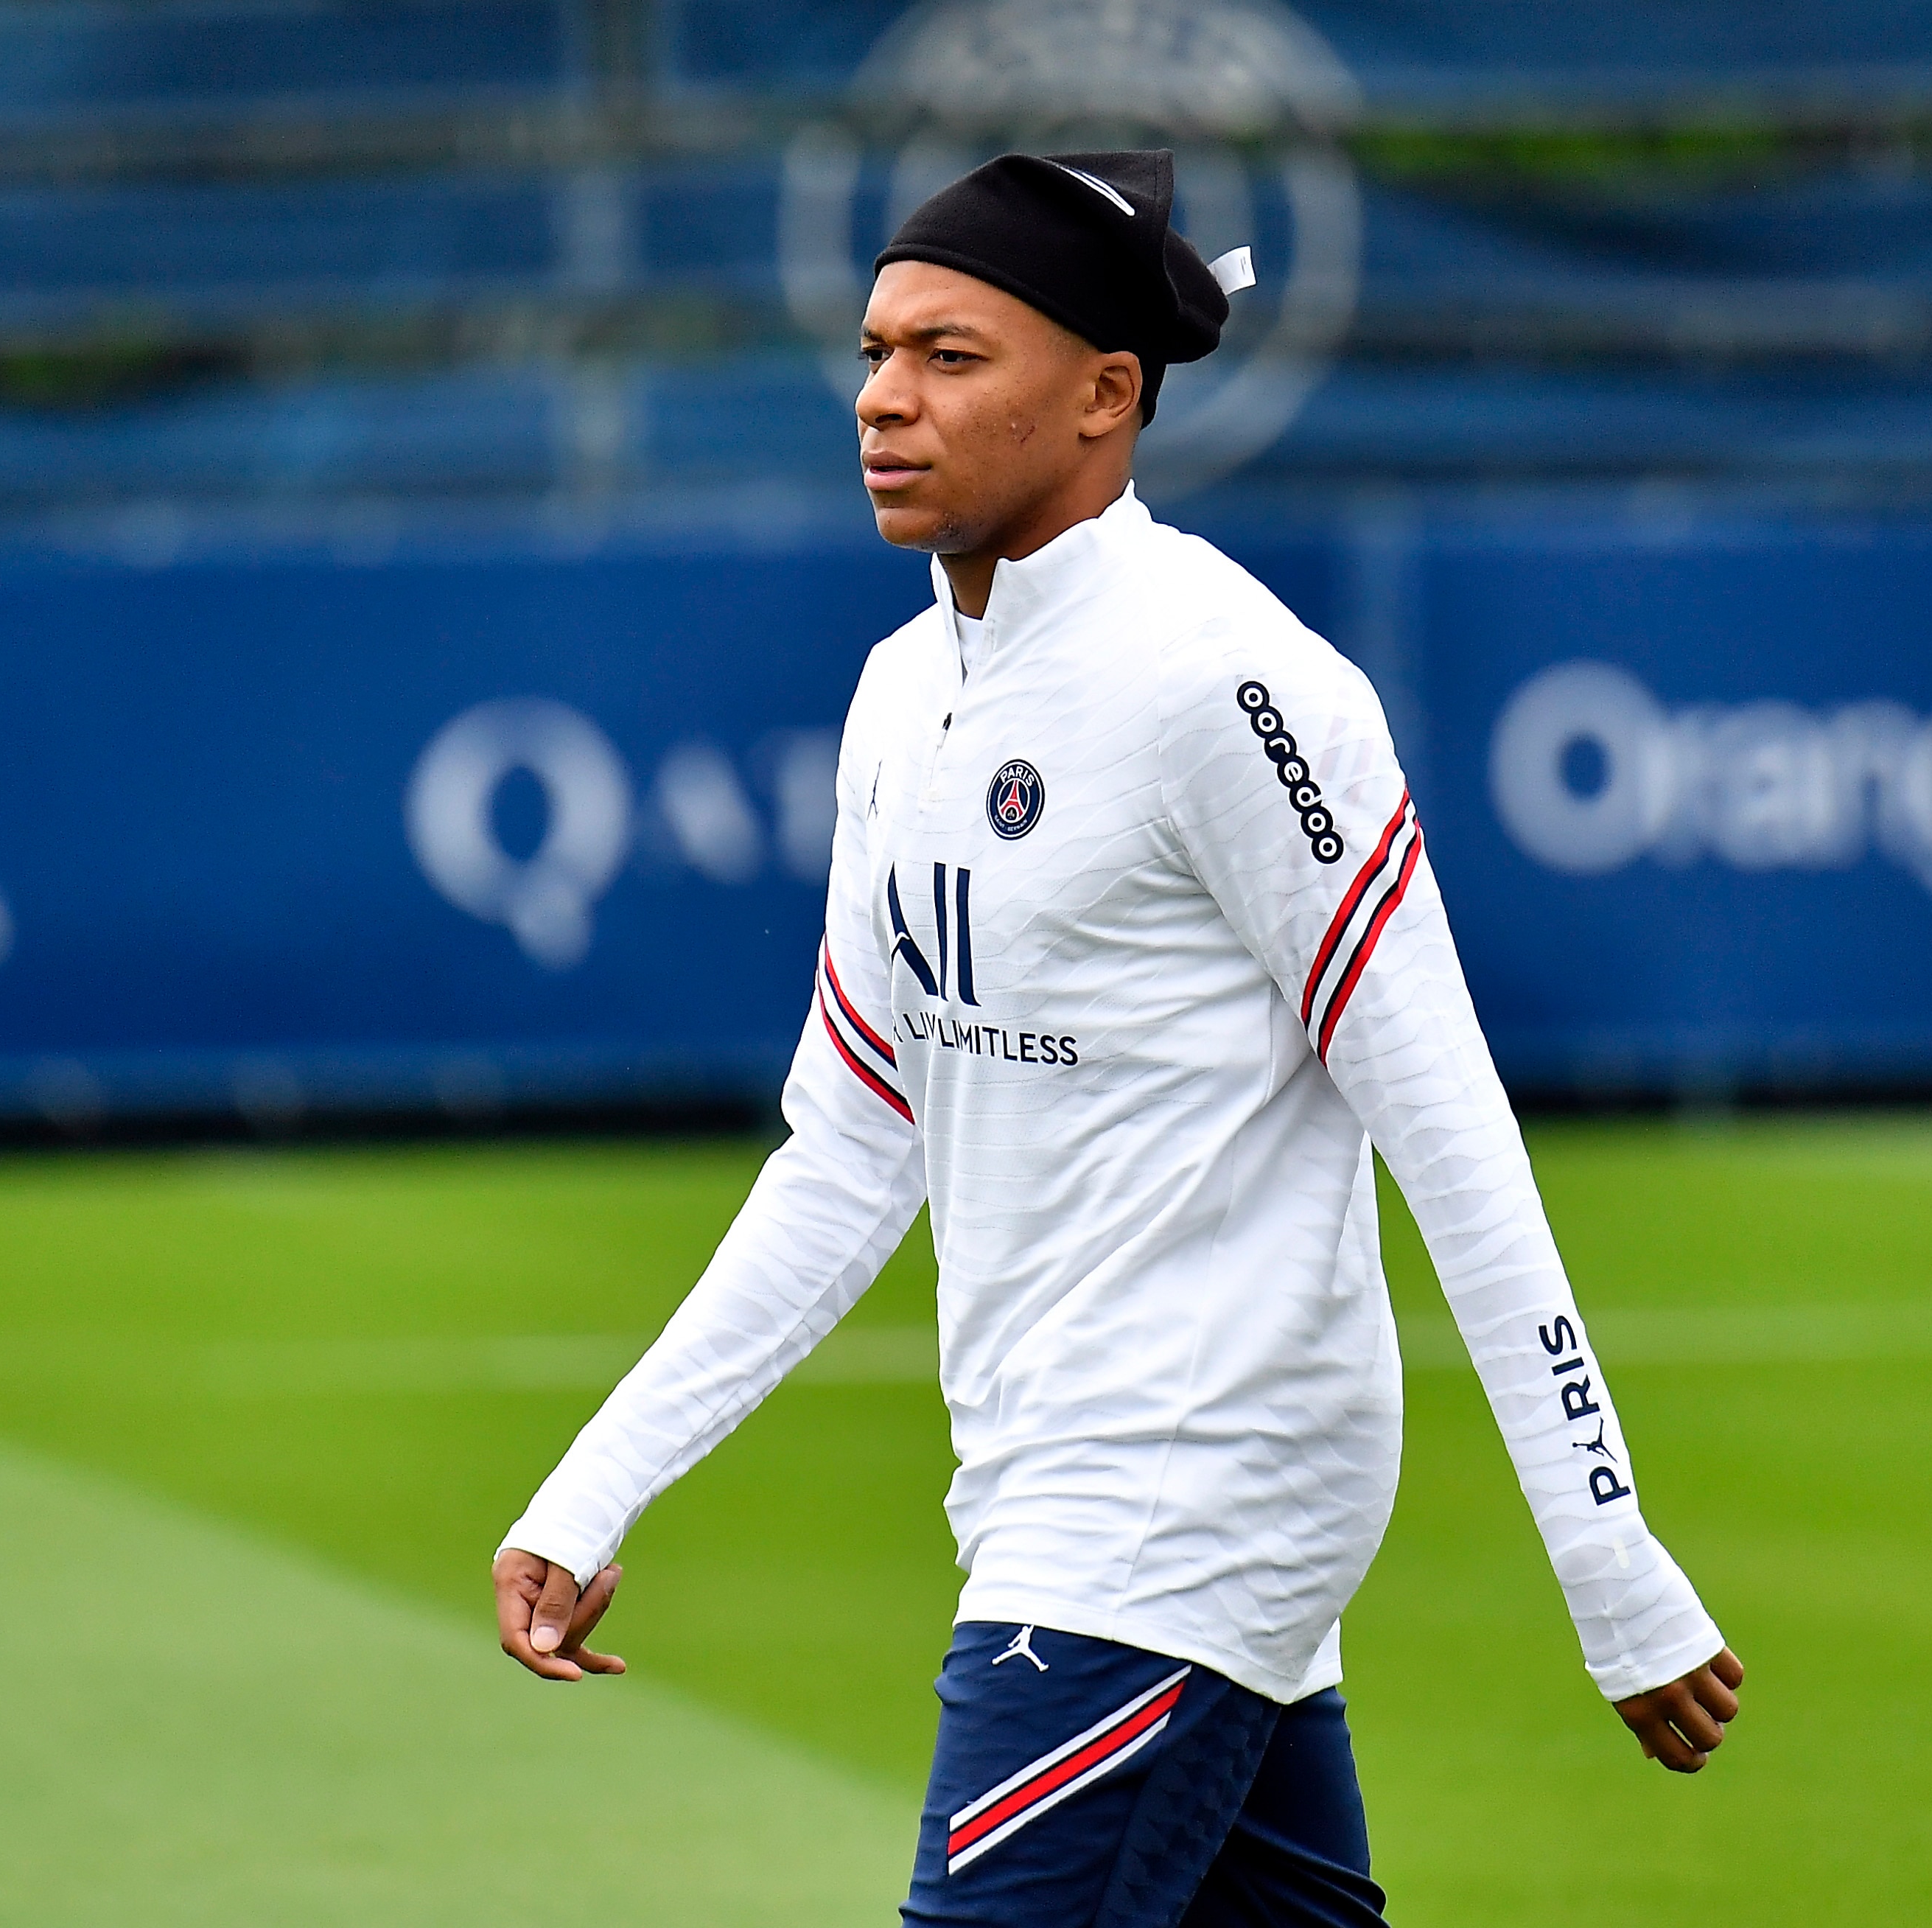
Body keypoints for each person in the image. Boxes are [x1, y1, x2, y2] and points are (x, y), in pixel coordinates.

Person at [490, 150, 1741, 1927]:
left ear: (1105, 395)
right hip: (1048, 1496)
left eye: (948, 354)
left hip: (1182, 1496)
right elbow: (851, 1151)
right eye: (875, 350)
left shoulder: (1233, 684)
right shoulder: (898, 696)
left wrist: (1610, 1561)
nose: (880, 398)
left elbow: (1451, 1125)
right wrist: (594, 1486)